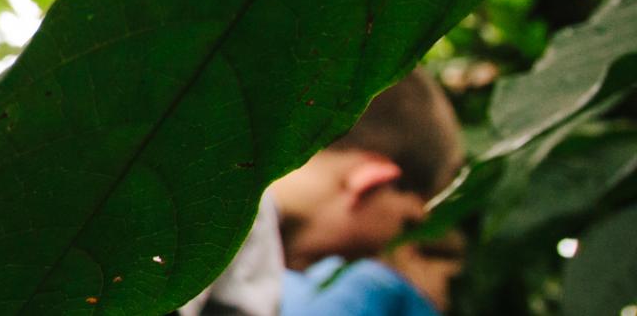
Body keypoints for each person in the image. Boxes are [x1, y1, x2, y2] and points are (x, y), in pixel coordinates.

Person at [180, 70, 464, 316]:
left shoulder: (249, 239)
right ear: (369, 180)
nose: (381, 252)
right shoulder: (221, 208)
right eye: (407, 225)